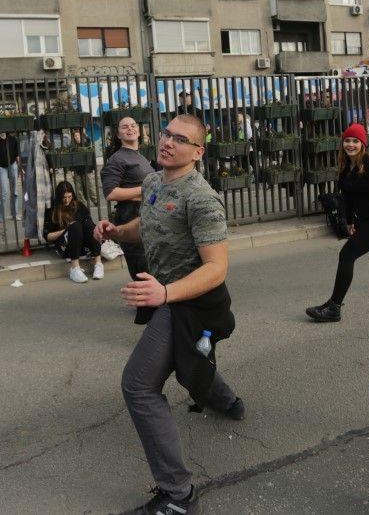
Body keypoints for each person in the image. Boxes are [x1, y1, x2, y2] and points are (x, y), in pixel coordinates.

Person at [93, 114, 243, 515]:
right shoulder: (154, 182)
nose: (168, 142)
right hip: (169, 297)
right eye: (166, 133)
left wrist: (165, 293)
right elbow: (147, 224)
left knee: (139, 386)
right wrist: (115, 232)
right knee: (191, 356)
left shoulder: (202, 198)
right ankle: (227, 401)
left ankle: (178, 495)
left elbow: (216, 269)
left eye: (181, 139)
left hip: (191, 302)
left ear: (198, 151)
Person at [305, 123, 369, 323]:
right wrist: (350, 221)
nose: (350, 144)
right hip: (365, 220)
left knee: (346, 255)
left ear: (363, 144)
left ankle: (334, 307)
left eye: (355, 141)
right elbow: (347, 197)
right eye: (347, 140)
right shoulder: (346, 167)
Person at [100, 117, 154, 282]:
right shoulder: (117, 159)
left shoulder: (140, 157)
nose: (130, 129)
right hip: (130, 215)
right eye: (125, 127)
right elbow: (110, 193)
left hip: (146, 214)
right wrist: (144, 189)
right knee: (141, 268)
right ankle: (146, 307)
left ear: (139, 131)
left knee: (151, 267)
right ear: (118, 134)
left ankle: (154, 304)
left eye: (133, 126)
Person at [44, 181, 103, 283]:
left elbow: (90, 228)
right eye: (64, 197)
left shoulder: (79, 206)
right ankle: (75, 268)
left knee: (89, 225)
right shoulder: (52, 210)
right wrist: (67, 230)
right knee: (75, 226)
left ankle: (98, 263)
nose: (67, 200)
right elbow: (48, 236)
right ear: (59, 197)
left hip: (83, 247)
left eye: (69, 197)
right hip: (65, 247)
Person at [0, 131, 20, 224]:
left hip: (12, 165)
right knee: (4, 192)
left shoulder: (13, 139)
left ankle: (15, 214)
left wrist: (21, 168)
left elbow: (17, 155)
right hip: (1, 167)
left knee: (14, 191)